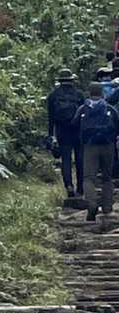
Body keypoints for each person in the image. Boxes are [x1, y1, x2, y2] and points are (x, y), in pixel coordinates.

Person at [74, 83, 119, 223]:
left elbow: (74, 124)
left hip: (89, 146)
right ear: (102, 93)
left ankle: (92, 204)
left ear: (89, 93)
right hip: (108, 145)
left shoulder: (83, 109)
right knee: (107, 177)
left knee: (89, 178)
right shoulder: (110, 109)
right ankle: (107, 207)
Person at [47, 69, 84, 198]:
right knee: (80, 159)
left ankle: (69, 186)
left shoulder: (53, 95)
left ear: (60, 80)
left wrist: (50, 134)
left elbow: (51, 117)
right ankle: (80, 188)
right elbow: (84, 114)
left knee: (66, 159)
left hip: (62, 131)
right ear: (72, 80)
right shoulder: (79, 94)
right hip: (78, 130)